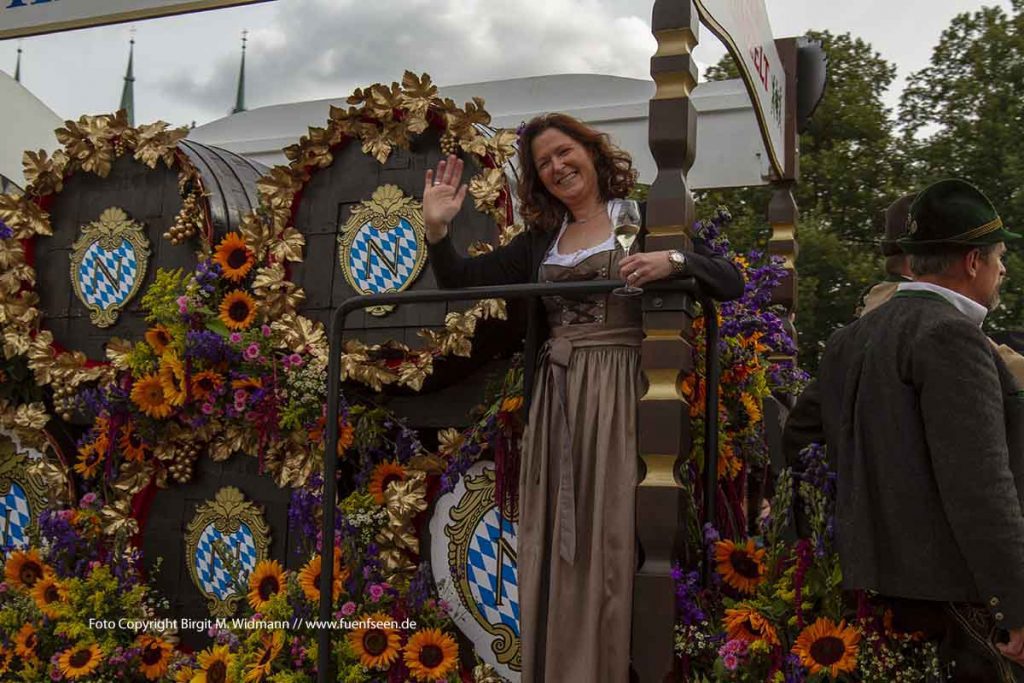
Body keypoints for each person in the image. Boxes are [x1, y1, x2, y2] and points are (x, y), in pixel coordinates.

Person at [423, 113, 743, 682]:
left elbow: (729, 279)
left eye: (564, 152)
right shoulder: (538, 244)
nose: (556, 166)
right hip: (559, 397)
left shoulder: (642, 220)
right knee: (554, 537)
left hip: (623, 391)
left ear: (593, 154)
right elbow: (459, 283)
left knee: (616, 530)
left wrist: (673, 262)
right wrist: (439, 231)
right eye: (543, 163)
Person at [784, 178, 1024, 681]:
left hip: (868, 599)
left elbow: (799, 443)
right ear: (972, 261)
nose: (1004, 270)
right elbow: (980, 487)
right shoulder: (952, 335)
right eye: (1000, 256)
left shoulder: (850, 338)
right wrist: (1015, 606)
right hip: (954, 607)